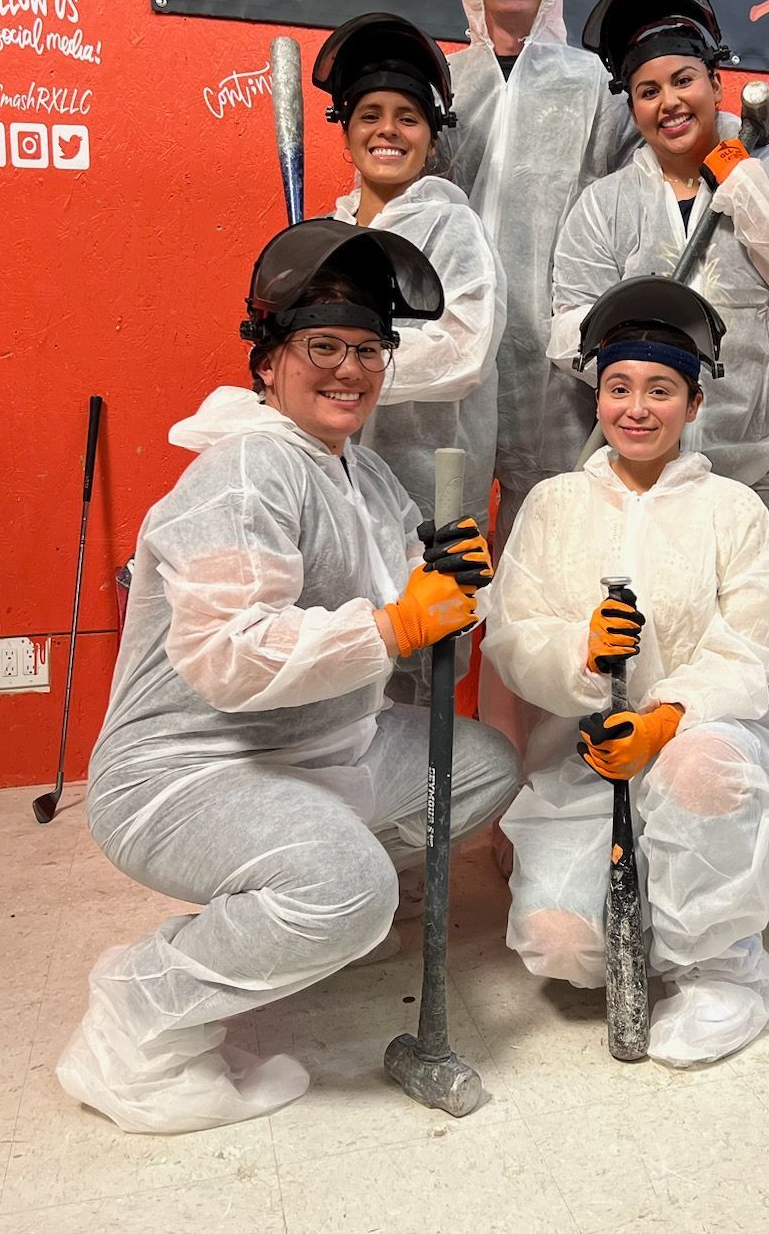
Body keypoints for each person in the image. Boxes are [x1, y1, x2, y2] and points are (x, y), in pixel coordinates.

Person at [55, 220, 519, 1132]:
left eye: (369, 349)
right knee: (348, 886)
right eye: (323, 347)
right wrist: (392, 622)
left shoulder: (364, 477)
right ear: (267, 363)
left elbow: (419, 635)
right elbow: (229, 654)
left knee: (481, 769)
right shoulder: (246, 473)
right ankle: (136, 1018)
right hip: (187, 773)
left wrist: (456, 589)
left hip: (314, 746)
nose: (350, 369)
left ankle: (306, 910)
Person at [549, 0, 769, 932]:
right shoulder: (604, 207)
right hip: (671, 474)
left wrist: (746, 183)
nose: (668, 102)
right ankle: (689, 827)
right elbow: (563, 324)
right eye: (647, 90)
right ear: (630, 106)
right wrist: (635, 336)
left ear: (716, 82)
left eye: (683, 80)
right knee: (680, 650)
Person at [484, 277, 769, 1067]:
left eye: (661, 390)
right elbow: (513, 635)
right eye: (619, 387)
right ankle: (655, 908)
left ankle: (724, 970)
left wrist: (665, 718)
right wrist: (581, 657)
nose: (636, 407)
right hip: (586, 765)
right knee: (564, 949)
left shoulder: (733, 511)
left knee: (697, 771)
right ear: (597, 398)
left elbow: (750, 648)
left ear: (694, 406)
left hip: (704, 742)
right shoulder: (554, 504)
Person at [439, 0, 637, 536]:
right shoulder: (442, 85)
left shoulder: (596, 86)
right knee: (439, 563)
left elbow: (652, 177)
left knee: (546, 569)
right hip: (451, 362)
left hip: (558, 374)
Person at [316, 13, 505, 706]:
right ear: (344, 129)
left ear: (431, 135)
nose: (387, 130)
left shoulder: (453, 228)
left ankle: (417, 811)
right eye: (369, 114)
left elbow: (463, 352)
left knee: (419, 672)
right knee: (346, 655)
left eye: (407, 117)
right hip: (339, 494)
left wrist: (349, 366)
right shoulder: (326, 235)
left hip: (428, 495)